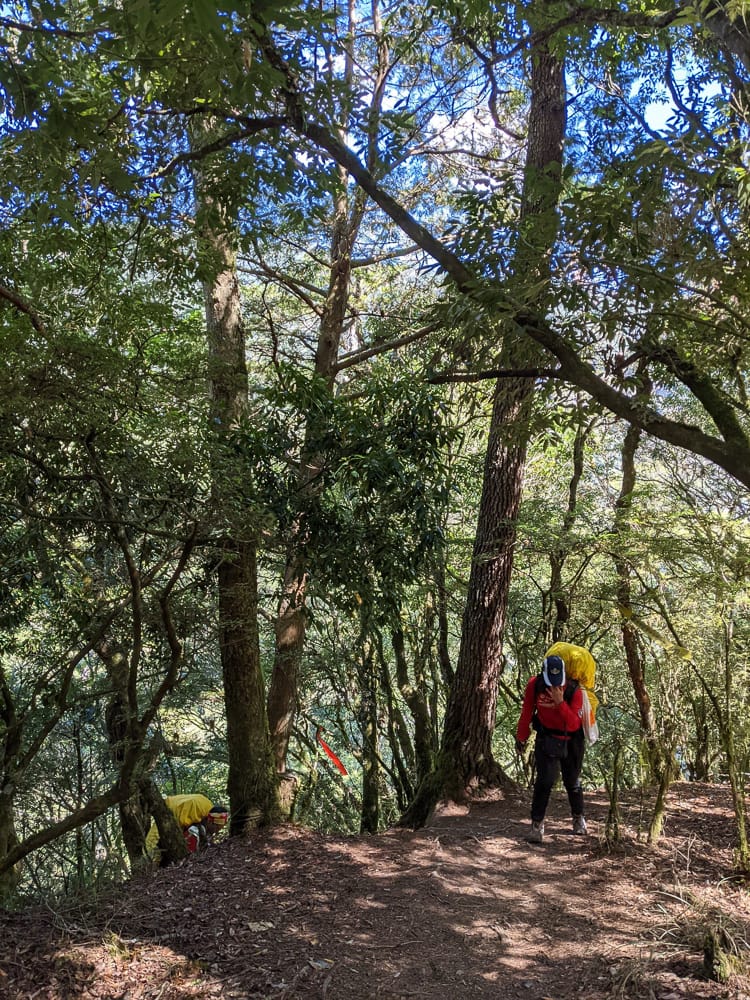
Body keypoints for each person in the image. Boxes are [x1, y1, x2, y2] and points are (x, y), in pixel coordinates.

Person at [515, 654, 586, 844]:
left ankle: (578, 818)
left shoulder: (574, 690)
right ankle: (536, 825)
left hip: (572, 741)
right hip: (546, 738)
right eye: (550, 681)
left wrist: (560, 702)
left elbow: (573, 724)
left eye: (557, 680)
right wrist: (521, 737)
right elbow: (527, 712)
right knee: (544, 781)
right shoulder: (535, 685)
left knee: (572, 781)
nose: (554, 684)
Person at [145, 793, 229, 863]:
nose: (216, 831)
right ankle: (147, 866)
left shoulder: (208, 808)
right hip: (169, 812)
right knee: (151, 844)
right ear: (210, 822)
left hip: (174, 809)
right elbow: (182, 824)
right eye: (216, 827)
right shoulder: (194, 810)